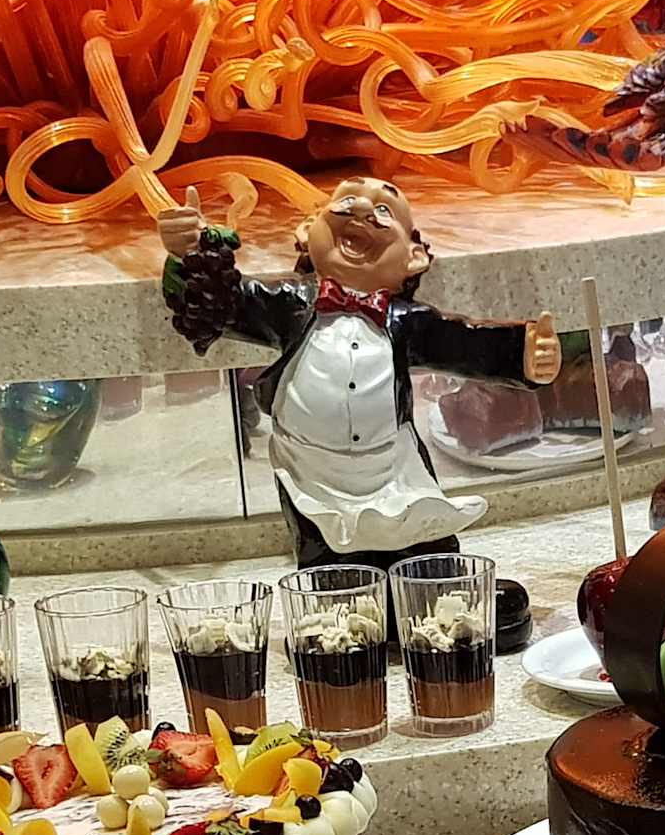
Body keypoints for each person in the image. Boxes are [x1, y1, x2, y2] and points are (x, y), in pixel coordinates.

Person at [157, 177, 564, 570]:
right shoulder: (289, 306)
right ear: (306, 231)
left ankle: (438, 599)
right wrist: (188, 253)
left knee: (421, 545)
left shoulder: (408, 322)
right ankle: (339, 607)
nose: (364, 209)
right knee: (328, 558)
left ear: (413, 257)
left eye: (385, 210)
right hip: (309, 470)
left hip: (391, 467)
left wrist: (527, 354)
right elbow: (221, 303)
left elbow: (464, 342)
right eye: (348, 200)